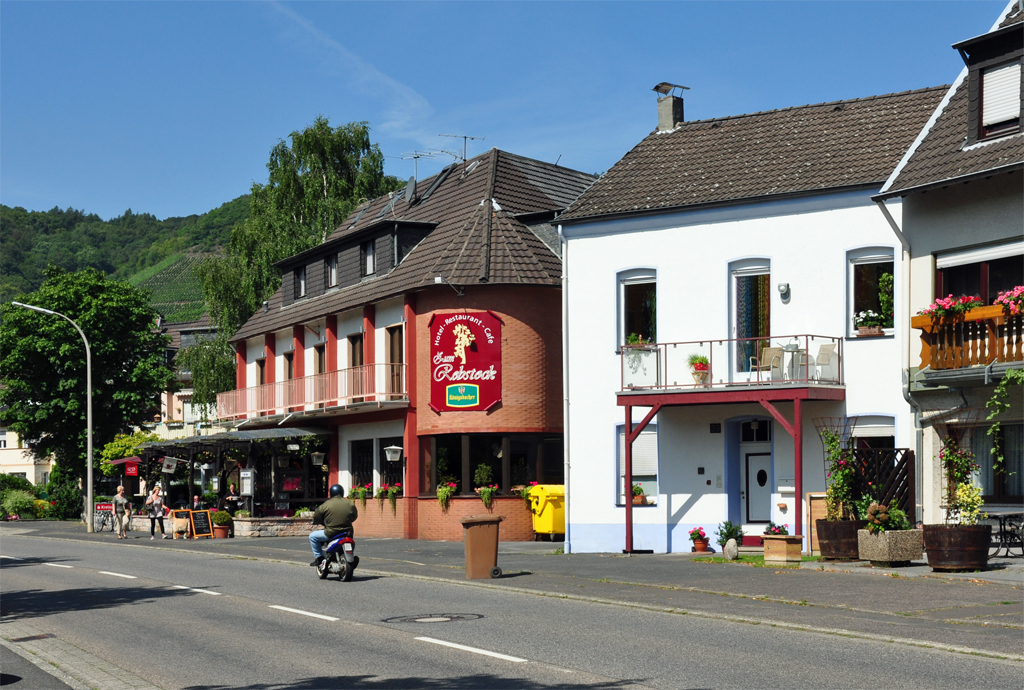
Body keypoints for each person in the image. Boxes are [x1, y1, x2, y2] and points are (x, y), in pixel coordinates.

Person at [309, 484, 358, 567]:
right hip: (347, 532)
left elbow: (317, 517)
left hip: (331, 532)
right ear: (342, 492)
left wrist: (315, 521)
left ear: (331, 493)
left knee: (312, 536)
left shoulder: (326, 504)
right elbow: (354, 516)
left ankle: (319, 558)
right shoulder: (350, 504)